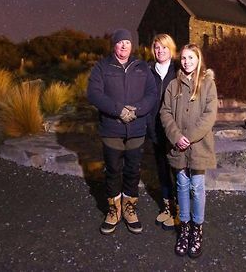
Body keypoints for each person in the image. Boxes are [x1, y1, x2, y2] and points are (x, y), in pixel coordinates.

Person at [87, 28, 156, 235]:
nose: (124, 45)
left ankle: (129, 208)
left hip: (136, 128)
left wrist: (137, 110)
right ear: (114, 45)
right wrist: (118, 110)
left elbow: (152, 94)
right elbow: (94, 94)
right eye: (120, 42)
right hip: (112, 129)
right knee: (113, 170)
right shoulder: (102, 67)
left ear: (131, 45)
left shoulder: (142, 67)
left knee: (133, 170)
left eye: (127, 42)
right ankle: (113, 210)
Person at [160, 43, 218, 258]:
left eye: (191, 58)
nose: (187, 62)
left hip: (198, 146)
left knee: (197, 187)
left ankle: (197, 229)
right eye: (183, 58)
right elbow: (165, 113)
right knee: (182, 186)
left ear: (198, 59)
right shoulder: (172, 86)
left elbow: (210, 115)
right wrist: (176, 137)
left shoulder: (207, 84)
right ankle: (184, 229)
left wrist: (189, 137)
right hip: (178, 147)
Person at [148, 34, 179, 230]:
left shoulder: (178, 69)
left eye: (164, 47)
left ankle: (180, 210)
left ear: (171, 49)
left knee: (177, 170)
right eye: (157, 47)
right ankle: (167, 207)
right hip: (155, 127)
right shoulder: (148, 70)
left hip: (174, 128)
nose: (160, 51)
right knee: (162, 170)